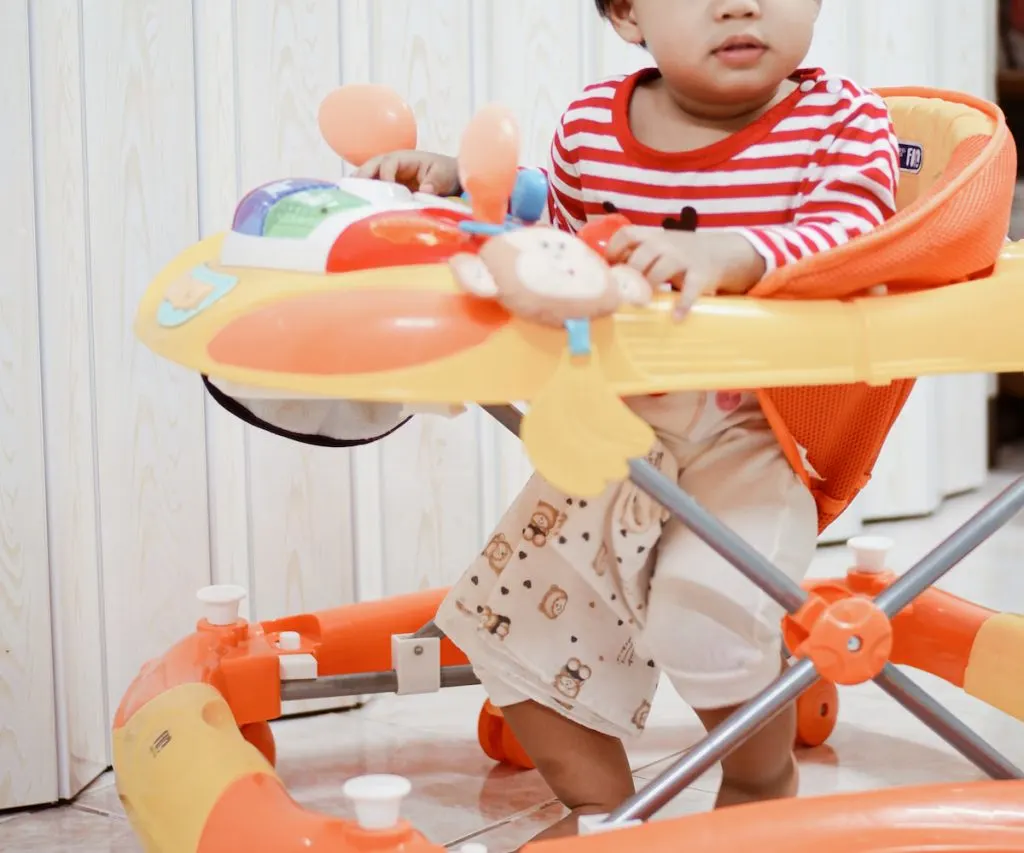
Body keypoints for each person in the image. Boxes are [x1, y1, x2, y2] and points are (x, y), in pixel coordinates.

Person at [363, 0, 901, 841]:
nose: (741, 3)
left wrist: (733, 255)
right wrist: (468, 195)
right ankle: (607, 815)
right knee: (509, 627)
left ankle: (760, 785)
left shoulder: (843, 122)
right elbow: (564, 253)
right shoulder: (591, 127)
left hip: (756, 431)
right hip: (616, 431)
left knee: (705, 620)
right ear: (625, 15)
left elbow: (860, 234)